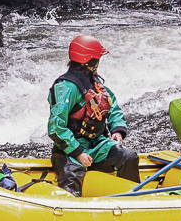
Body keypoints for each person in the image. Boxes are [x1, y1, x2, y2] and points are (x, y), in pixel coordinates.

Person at [47, 35, 138, 195]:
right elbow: (56, 127)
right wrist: (79, 153)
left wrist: (117, 129)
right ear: (89, 61)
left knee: (128, 157)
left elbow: (113, 105)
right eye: (97, 58)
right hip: (69, 149)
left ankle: (131, 201)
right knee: (72, 178)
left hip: (96, 144)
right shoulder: (66, 87)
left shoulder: (95, 82)